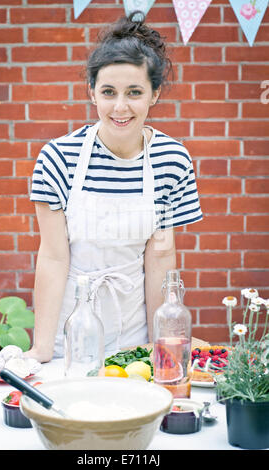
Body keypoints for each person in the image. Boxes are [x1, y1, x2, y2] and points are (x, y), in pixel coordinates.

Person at [26, 12, 203, 363]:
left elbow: (161, 256)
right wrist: (42, 348)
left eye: (134, 92)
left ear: (154, 94)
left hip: (134, 336)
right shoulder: (59, 157)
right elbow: (53, 256)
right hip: (69, 334)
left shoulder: (172, 160)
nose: (120, 107)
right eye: (108, 92)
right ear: (92, 93)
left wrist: (160, 344)